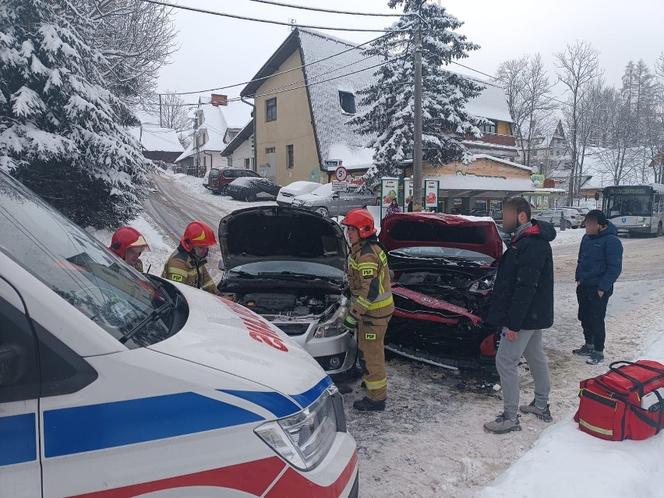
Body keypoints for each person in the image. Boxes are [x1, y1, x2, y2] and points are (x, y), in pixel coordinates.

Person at [484, 196, 556, 434]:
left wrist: (513, 324)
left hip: (525, 316)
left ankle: (510, 416)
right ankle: (541, 404)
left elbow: (526, 287)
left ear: (521, 216)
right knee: (535, 356)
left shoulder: (532, 244)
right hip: (532, 315)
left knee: (505, 360)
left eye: (505, 215)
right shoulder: (524, 240)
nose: (502, 219)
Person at [340, 209, 394, 412]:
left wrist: (353, 316)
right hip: (373, 313)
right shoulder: (363, 249)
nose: (348, 234)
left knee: (373, 355)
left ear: (362, 230)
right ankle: (370, 380)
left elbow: (369, 291)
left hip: (374, 314)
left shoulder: (366, 255)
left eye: (351, 230)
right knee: (366, 349)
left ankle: (376, 398)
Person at [573, 209, 623, 365]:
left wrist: (602, 287)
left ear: (600, 225)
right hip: (584, 285)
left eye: (590, 224)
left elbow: (614, 268)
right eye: (586, 223)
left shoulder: (612, 241)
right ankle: (589, 344)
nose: (586, 226)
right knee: (584, 316)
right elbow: (581, 260)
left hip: (599, 289)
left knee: (596, 319)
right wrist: (579, 278)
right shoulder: (586, 239)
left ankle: (598, 351)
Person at [162, 221, 221, 295]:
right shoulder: (178, 263)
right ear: (189, 244)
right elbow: (178, 294)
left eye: (206, 247)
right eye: (201, 248)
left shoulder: (196, 259)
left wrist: (220, 297)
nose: (205, 251)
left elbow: (207, 282)